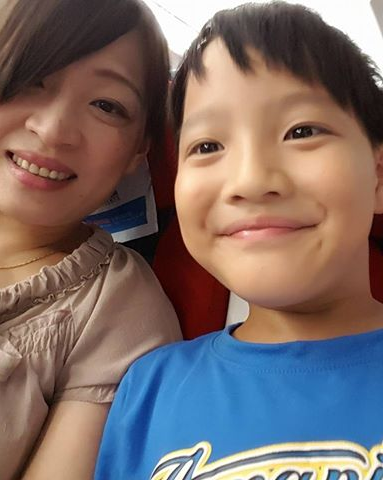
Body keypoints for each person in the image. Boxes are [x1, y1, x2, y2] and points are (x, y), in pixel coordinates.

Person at [94, 2, 383, 478]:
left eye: (301, 131)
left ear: (378, 176)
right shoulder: (147, 390)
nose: (250, 180)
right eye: (207, 146)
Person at [0, 0, 182, 478]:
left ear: (140, 149)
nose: (53, 131)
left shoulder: (120, 310)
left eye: (106, 106)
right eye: (31, 78)